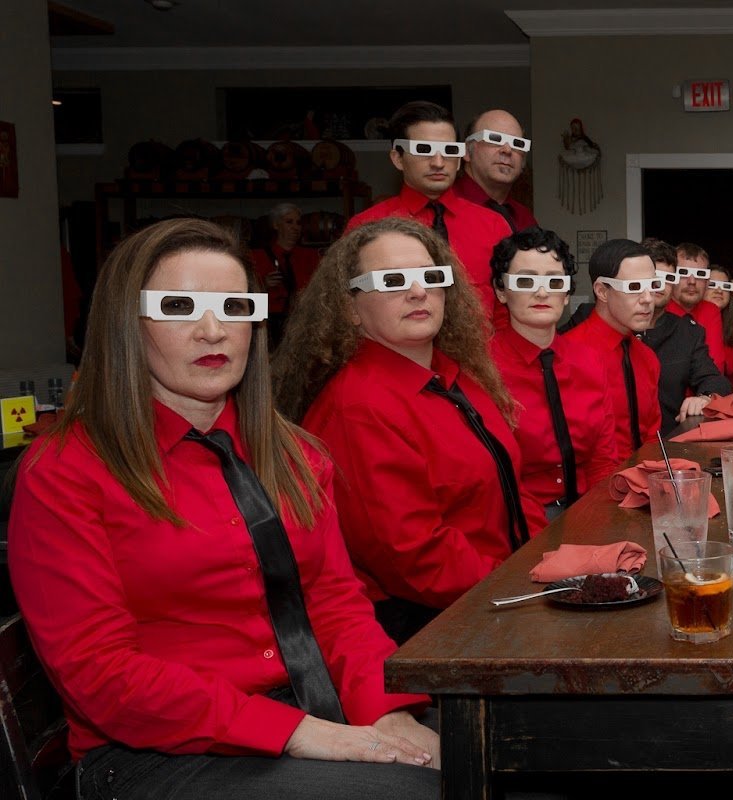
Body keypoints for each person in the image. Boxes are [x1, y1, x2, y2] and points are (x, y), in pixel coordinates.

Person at [9, 218, 440, 800]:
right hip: (154, 754)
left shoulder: (297, 455)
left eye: (235, 305)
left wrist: (387, 713)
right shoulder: (65, 471)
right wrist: (297, 732)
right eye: (179, 305)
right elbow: (100, 673)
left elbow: (336, 604)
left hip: (312, 708)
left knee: (500, 753)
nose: (213, 330)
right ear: (126, 326)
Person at [273, 217, 529, 643]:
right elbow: (415, 558)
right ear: (350, 308)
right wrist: (520, 587)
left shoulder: (456, 376)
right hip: (426, 626)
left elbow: (510, 486)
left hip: (493, 594)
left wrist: (542, 563)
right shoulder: (358, 407)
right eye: (392, 280)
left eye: (431, 277)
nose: (418, 291)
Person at [488, 227, 619, 526]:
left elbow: (603, 458)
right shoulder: (483, 367)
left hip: (588, 507)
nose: (542, 292)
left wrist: (601, 517)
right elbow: (490, 474)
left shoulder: (588, 360)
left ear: (567, 292)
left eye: (554, 281)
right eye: (526, 281)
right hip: (514, 518)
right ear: (500, 291)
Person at [345, 101, 512, 320]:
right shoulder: (366, 227)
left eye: (449, 151)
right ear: (398, 158)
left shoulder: (494, 225)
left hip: (480, 352)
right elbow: (351, 308)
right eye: (424, 150)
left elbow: (508, 310)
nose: (438, 162)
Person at [562, 238, 664, 457]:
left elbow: (651, 438)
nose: (648, 299)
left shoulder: (647, 357)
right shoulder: (568, 355)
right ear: (602, 291)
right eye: (634, 287)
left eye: (653, 286)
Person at [642, 246, 733, 425]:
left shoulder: (689, 331)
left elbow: (713, 375)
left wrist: (705, 397)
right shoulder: (607, 320)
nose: (692, 281)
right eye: (684, 273)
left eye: (667, 278)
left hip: (674, 428)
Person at [456, 108, 538, 233]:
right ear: (467, 151)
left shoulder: (524, 218)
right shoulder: (443, 208)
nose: (507, 150)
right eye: (494, 139)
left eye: (517, 143)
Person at [251, 202, 320, 347]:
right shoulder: (258, 256)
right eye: (289, 222)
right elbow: (247, 292)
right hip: (270, 322)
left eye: (298, 223)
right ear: (276, 225)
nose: (295, 227)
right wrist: (264, 284)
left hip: (301, 320)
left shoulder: (311, 256)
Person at [667, 242, 727, 377]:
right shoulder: (658, 309)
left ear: (707, 281)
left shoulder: (711, 311)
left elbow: (716, 368)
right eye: (683, 273)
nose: (692, 281)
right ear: (671, 277)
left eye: (700, 274)